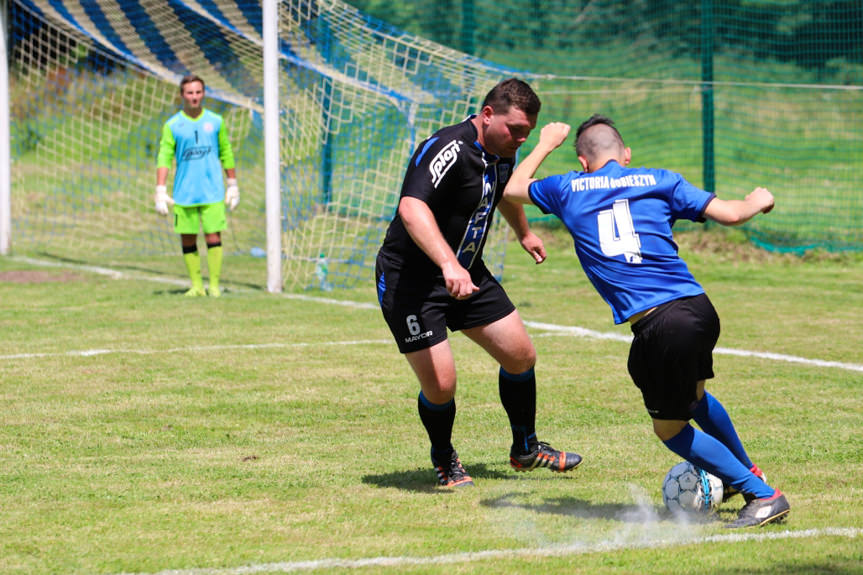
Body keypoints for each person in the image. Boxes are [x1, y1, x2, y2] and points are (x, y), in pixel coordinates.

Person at [503, 113, 789, 527]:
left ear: (583, 162)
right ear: (627, 154)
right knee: (695, 400)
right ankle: (748, 473)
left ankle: (761, 494)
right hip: (697, 307)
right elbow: (732, 213)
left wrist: (546, 143)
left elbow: (512, 189)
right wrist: (758, 200)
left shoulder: (567, 187)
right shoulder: (660, 179)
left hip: (661, 323)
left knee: (670, 429)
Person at [375, 78, 583, 488]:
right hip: (413, 281)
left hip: (466, 272)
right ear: (488, 115)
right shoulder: (448, 148)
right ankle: (444, 458)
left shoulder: (501, 149)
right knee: (442, 385)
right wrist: (449, 265)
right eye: (515, 129)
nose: (520, 139)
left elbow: (503, 191)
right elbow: (411, 208)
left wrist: (523, 232)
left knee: (521, 356)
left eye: (527, 133)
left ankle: (526, 449)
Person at [155, 75, 239, 297]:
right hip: (184, 193)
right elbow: (164, 157)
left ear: (204, 93)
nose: (194, 97)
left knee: (213, 236)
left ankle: (214, 286)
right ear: (182, 95)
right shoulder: (173, 125)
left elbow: (226, 151)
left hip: (212, 191)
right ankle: (196, 286)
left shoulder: (216, 121)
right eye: (190, 93)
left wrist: (232, 184)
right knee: (188, 238)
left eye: (198, 92)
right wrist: (160, 190)